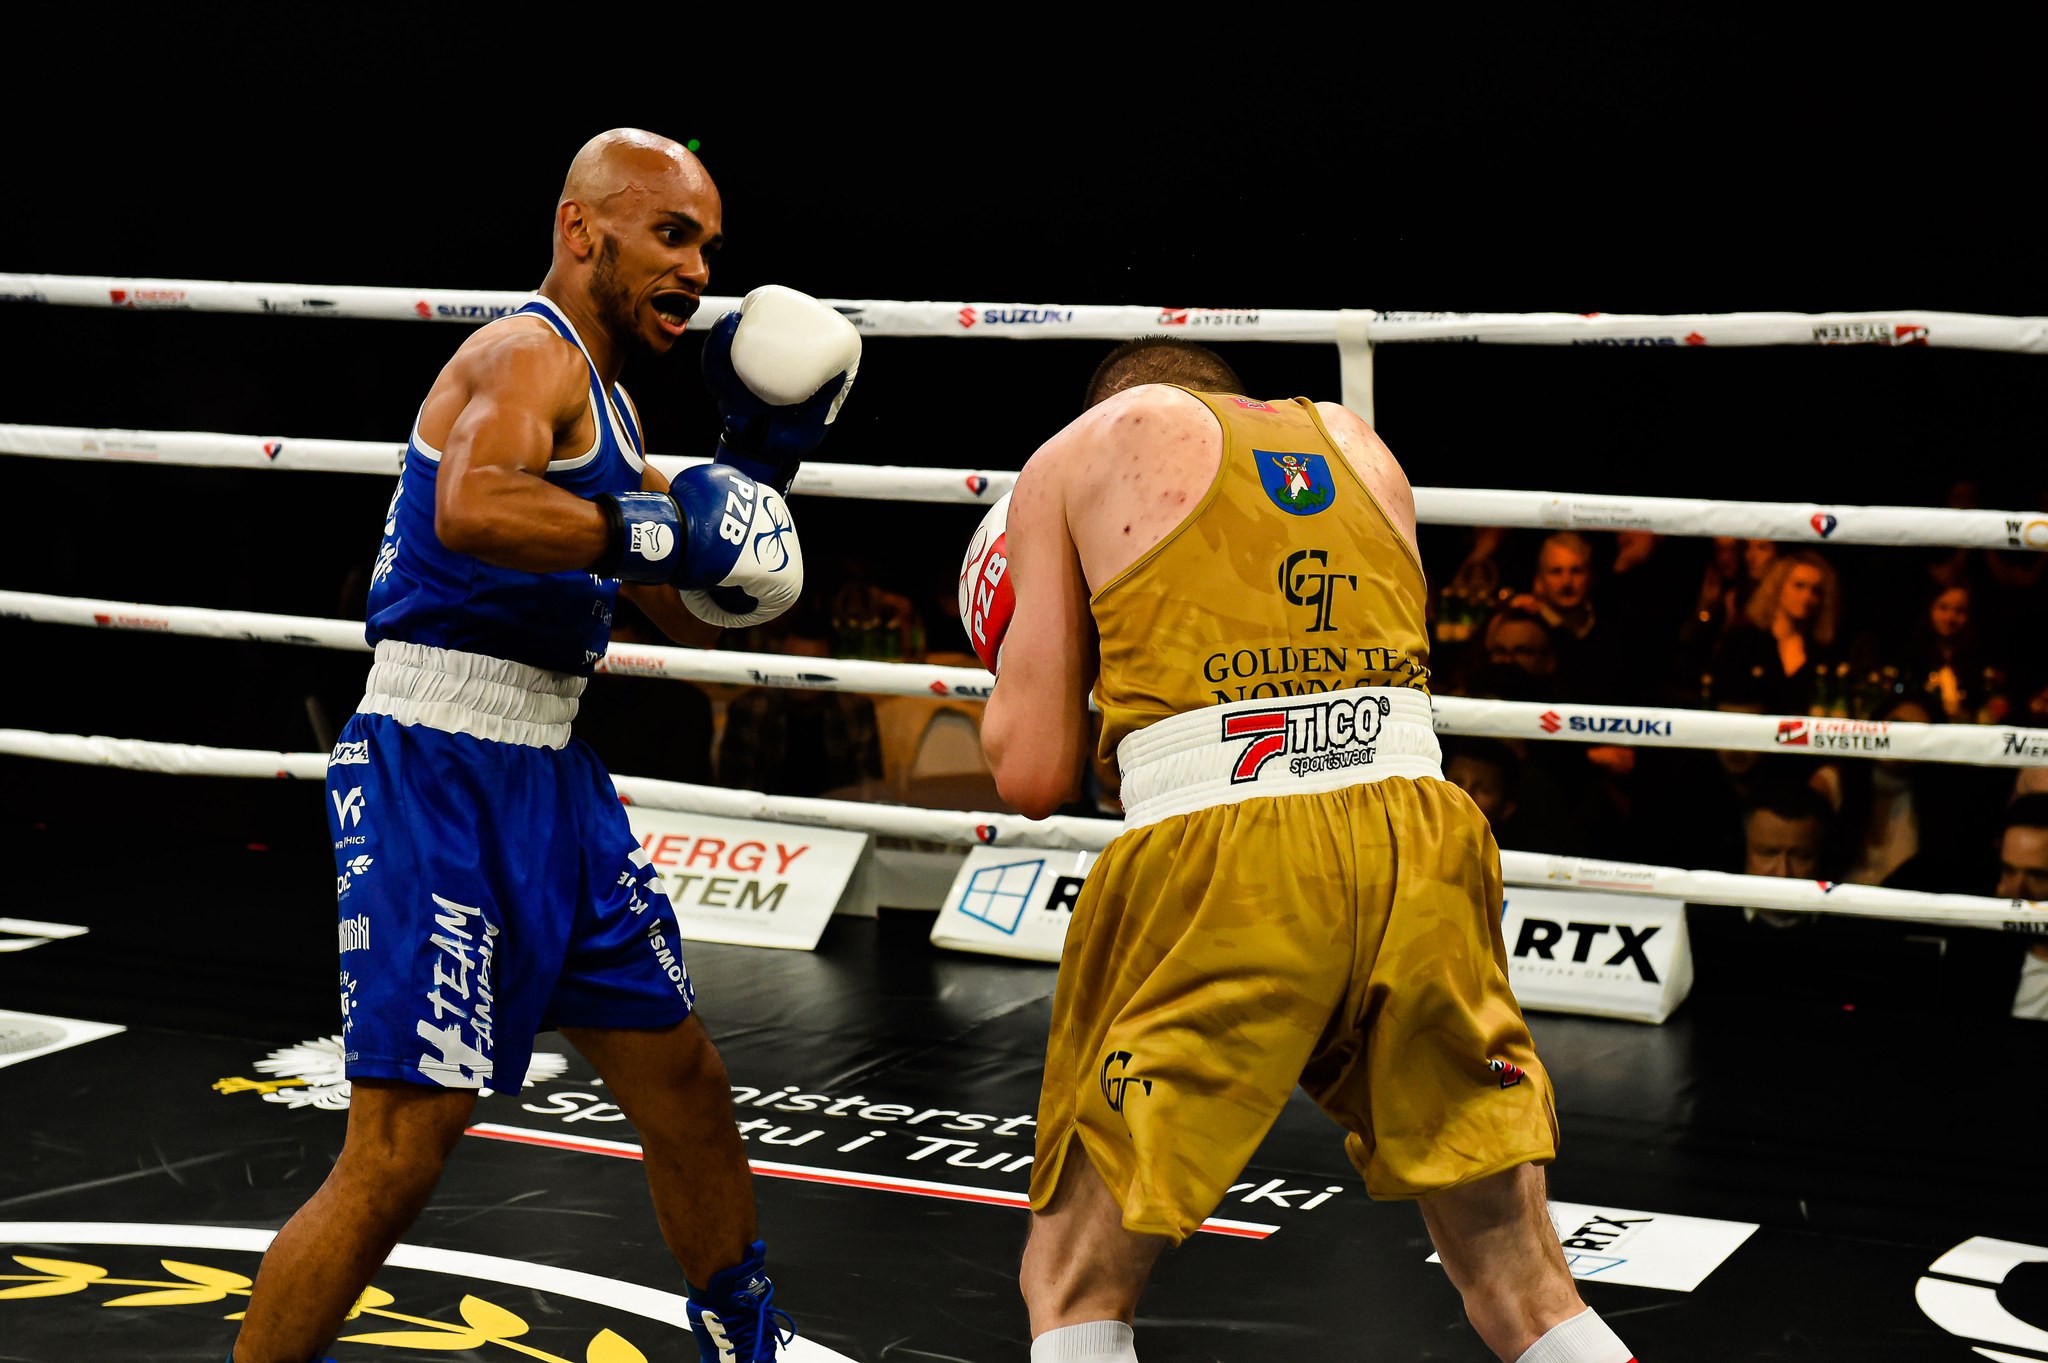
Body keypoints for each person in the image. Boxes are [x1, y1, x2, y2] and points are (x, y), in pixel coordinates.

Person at [229, 128, 861, 1363]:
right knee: (401, 1148)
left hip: (551, 775)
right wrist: (651, 530)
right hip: (436, 762)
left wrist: (751, 475)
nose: (696, 271)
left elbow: (684, 601)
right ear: (581, 229)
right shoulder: (526, 354)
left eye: (707, 246)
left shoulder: (611, 403)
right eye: (670, 235)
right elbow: (475, 506)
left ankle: (744, 1336)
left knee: (684, 1082)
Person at [969, 336, 1631, 1363]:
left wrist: (1024, 642)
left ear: (1110, 406)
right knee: (1519, 1275)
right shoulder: (1361, 446)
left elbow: (1032, 774)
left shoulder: (1079, 450)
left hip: (1228, 852)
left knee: (1071, 1278)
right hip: (1419, 836)